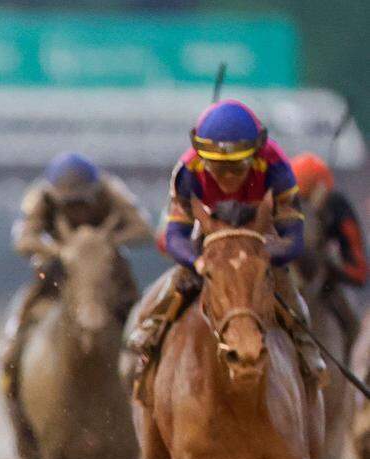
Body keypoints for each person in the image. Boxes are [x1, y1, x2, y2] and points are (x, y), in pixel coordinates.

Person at [126, 99, 324, 384]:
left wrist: (265, 256)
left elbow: (294, 236)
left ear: (256, 153)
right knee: (182, 278)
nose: (228, 177)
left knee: (285, 285)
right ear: (203, 157)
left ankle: (305, 342)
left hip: (258, 228)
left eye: (237, 168)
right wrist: (198, 262)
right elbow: (174, 236)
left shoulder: (277, 165)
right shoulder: (187, 170)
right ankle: (153, 326)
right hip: (210, 230)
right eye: (218, 168)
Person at [1, 152, 152, 400]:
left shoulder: (111, 189)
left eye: (82, 202)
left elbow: (143, 228)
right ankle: (11, 363)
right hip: (59, 266)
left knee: (139, 310)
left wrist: (101, 243)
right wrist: (60, 250)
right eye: (69, 204)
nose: (77, 210)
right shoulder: (40, 196)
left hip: (107, 267)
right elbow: (23, 239)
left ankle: (145, 365)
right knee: (26, 310)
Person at [290, 151, 366, 350]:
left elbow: (359, 270)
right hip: (286, 279)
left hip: (325, 287)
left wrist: (333, 264)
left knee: (354, 330)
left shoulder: (336, 208)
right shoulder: (281, 204)